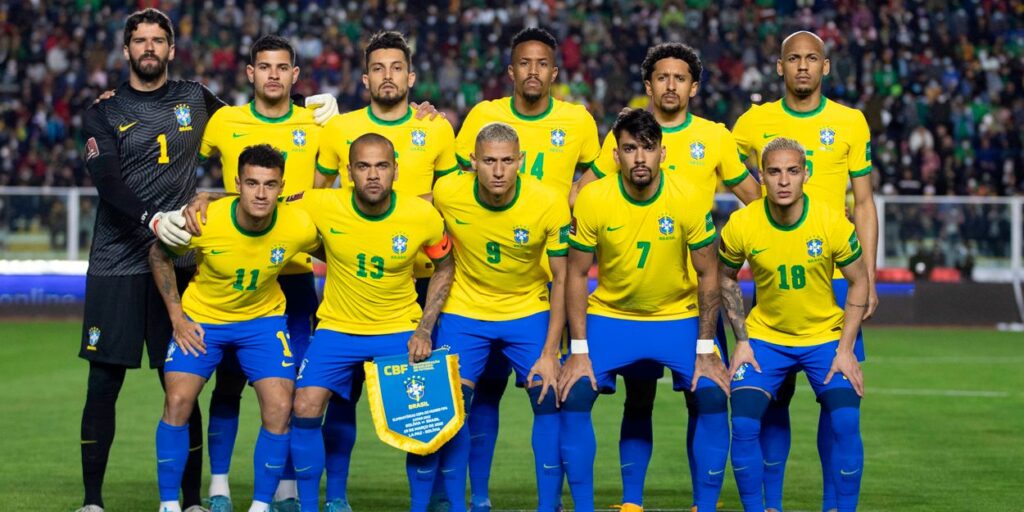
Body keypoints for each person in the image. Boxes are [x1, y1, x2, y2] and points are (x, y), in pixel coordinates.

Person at [78, 9, 337, 512]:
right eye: (140, 40)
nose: (149, 48)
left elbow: (263, 109)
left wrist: (316, 105)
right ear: (126, 50)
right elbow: (106, 180)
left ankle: (194, 499)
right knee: (104, 381)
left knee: (183, 387)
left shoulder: (198, 100)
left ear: (171, 49)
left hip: (185, 260)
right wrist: (157, 216)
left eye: (158, 40)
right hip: (118, 258)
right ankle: (93, 501)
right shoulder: (104, 111)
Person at [571, 42, 760, 511]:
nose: (671, 85)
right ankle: (630, 502)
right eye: (662, 77)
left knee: (705, 397)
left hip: (689, 301)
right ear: (649, 85)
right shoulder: (622, 135)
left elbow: (757, 201)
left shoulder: (714, 137)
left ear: (693, 87)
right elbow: (582, 195)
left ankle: (703, 503)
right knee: (636, 399)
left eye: (680, 77)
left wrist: (804, 224)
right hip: (624, 299)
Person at [452, 27, 600, 511]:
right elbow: (455, 179)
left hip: (541, 289)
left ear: (554, 72)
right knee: (481, 397)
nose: (533, 71)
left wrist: (576, 193)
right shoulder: (483, 116)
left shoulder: (577, 120)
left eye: (542, 63)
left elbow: (602, 168)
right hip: (482, 282)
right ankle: (476, 499)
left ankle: (549, 503)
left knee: (548, 393)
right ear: (511, 70)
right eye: (524, 63)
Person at [731, 31, 876, 512]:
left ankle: (834, 504)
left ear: (825, 66)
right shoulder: (754, 121)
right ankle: (770, 504)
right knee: (772, 399)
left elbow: (864, 203)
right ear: (780, 67)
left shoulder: (850, 121)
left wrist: (870, 274)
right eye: (793, 58)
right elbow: (721, 164)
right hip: (778, 269)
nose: (802, 66)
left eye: (812, 58)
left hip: (835, 270)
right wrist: (759, 210)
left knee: (836, 400)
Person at [560, 109, 730, 512]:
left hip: (677, 317)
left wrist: (706, 348)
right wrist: (578, 350)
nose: (639, 158)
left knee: (711, 394)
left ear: (663, 153)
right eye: (630, 148)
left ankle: (705, 506)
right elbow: (576, 274)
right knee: (574, 394)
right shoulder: (593, 198)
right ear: (615, 155)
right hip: (612, 317)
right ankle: (602, 506)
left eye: (648, 148)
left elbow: (708, 274)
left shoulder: (688, 196)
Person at [286, 133, 455, 512]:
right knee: (305, 406)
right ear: (349, 172)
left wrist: (425, 328)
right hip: (337, 328)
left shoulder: (420, 214)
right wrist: (208, 200)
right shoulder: (321, 202)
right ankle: (312, 506)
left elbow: (445, 265)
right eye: (363, 166)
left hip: (398, 328)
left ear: (396, 170)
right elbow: (261, 200)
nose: (373, 175)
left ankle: (419, 507)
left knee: (423, 419)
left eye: (382, 166)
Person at [148, 145, 319, 512]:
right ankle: (168, 504)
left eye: (270, 185)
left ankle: (260, 505)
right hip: (203, 320)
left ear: (281, 187)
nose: (261, 193)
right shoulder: (205, 219)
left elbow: (340, 248)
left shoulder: (298, 225)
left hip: (262, 322)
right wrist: (177, 316)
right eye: (252, 183)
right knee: (177, 401)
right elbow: (159, 255)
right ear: (238, 184)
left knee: (280, 406)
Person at [194, 34, 322, 512]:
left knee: (292, 389)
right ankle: (220, 486)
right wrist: (200, 196)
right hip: (235, 274)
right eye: (264, 66)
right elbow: (183, 163)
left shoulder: (317, 123)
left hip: (294, 274)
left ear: (295, 75)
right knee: (228, 385)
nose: (273, 75)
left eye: (282, 67)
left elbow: (371, 144)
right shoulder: (225, 121)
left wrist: (424, 111)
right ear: (250, 73)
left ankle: (285, 488)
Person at [718, 137, 867, 512]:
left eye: (792, 171)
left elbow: (859, 280)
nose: (783, 180)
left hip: (824, 338)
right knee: (745, 423)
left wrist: (846, 349)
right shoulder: (742, 223)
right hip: (765, 340)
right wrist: (742, 340)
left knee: (846, 421)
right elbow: (725, 278)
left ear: (806, 174)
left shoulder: (831, 221)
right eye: (774, 172)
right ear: (762, 177)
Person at [432, 122, 570, 511]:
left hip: (527, 309)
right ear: (472, 161)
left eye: (507, 161)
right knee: (451, 408)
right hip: (465, 310)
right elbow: (413, 213)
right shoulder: (448, 192)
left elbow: (562, 278)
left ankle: (549, 505)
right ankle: (461, 504)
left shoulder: (548, 201)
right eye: (489, 161)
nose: (498, 171)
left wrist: (550, 351)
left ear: (520, 161)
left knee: (548, 399)